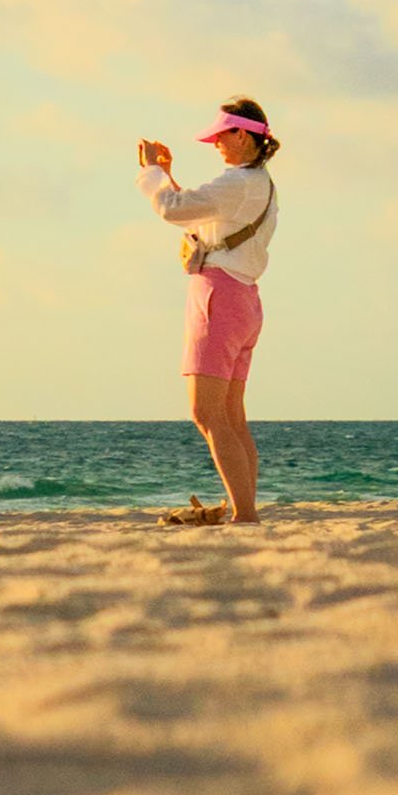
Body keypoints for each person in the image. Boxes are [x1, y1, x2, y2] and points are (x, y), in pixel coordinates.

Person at [137, 97, 280, 525]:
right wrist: (169, 175)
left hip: (220, 297)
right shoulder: (260, 185)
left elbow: (170, 209)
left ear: (242, 134)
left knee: (207, 413)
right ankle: (245, 510)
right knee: (232, 416)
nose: (216, 142)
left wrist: (152, 173)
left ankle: (246, 514)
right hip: (244, 300)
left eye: (222, 134)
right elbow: (199, 218)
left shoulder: (237, 183)